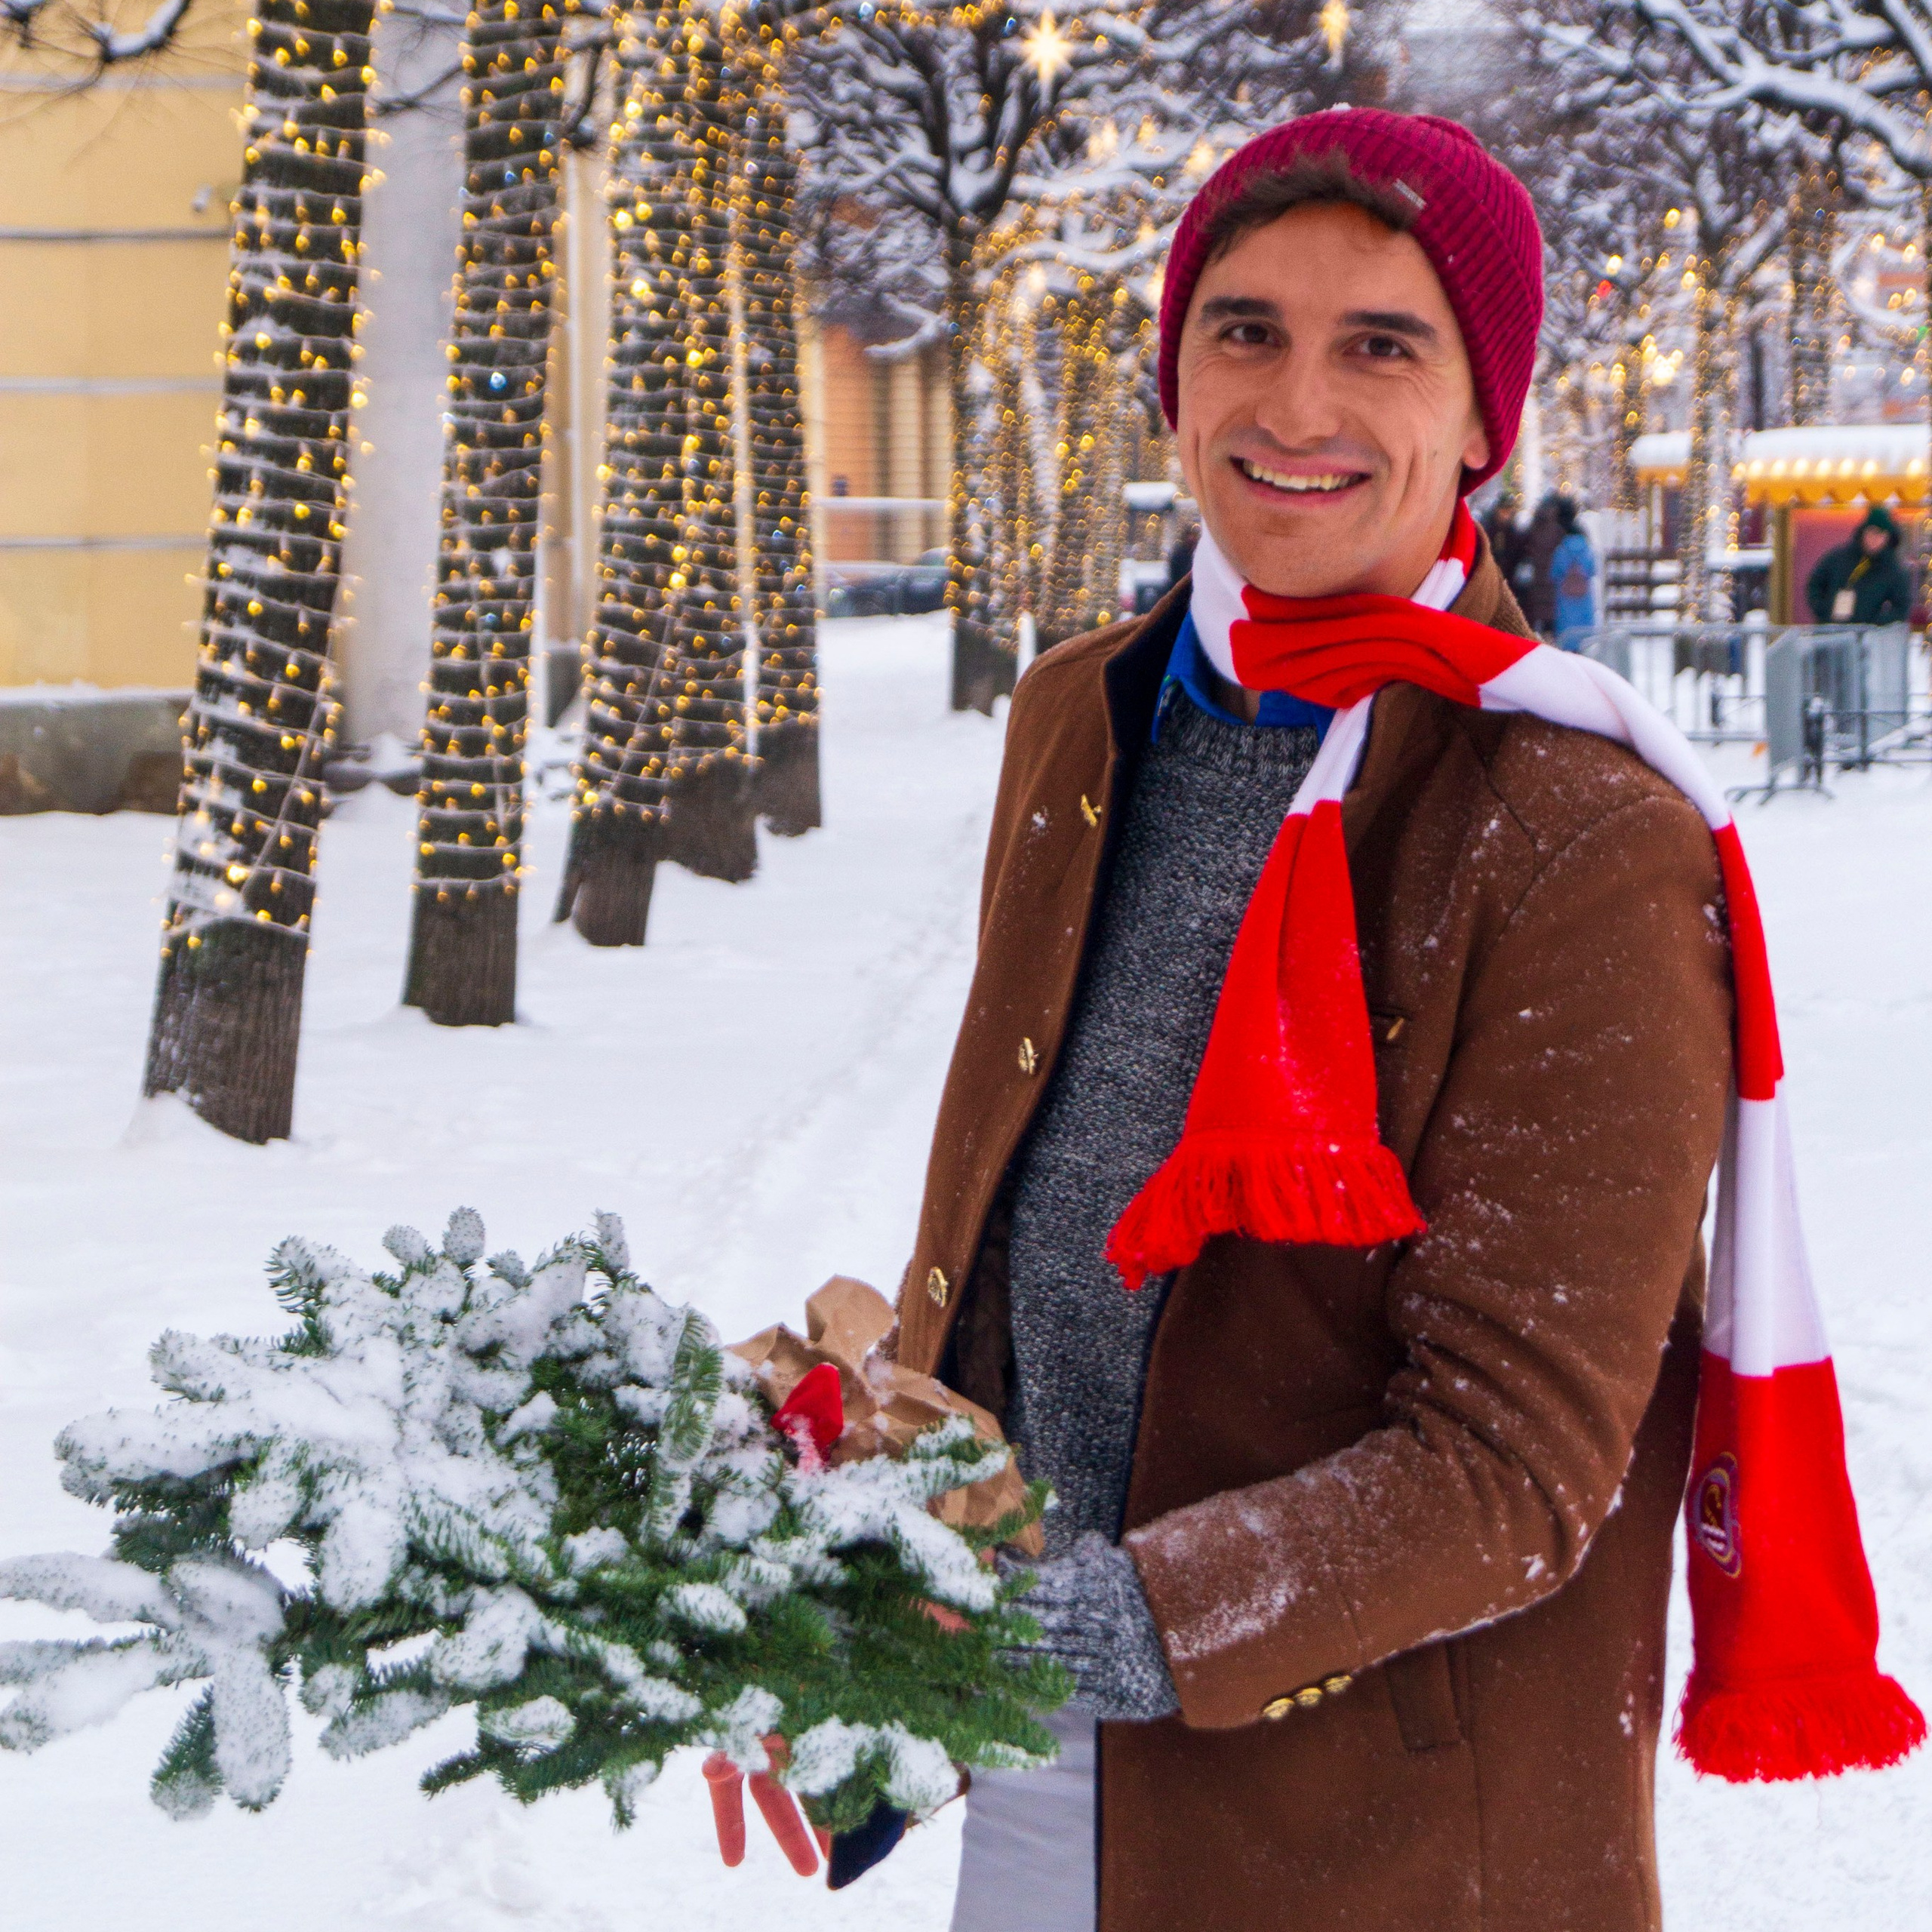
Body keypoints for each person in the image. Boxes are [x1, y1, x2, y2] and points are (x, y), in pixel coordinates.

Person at [886, 109, 1912, 1932]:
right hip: (1040, 1746)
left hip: (1382, 1823)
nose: (1295, 404)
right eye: (1243, 328)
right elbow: (1011, 1228)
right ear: (1173, 378)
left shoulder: (1576, 833)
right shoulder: (1082, 720)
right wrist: (851, 1551)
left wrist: (1076, 1622)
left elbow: (1511, 1459)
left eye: (1381, 344)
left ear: (1476, 418)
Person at [1805, 503, 1913, 626]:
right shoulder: (1838, 558)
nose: (1875, 539)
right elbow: (1815, 584)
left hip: (1867, 640)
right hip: (1830, 632)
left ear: (1888, 537)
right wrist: (1824, 610)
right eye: (1871, 532)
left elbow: (1902, 606)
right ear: (1863, 532)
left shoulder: (1893, 570)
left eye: (1881, 534)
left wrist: (1876, 623)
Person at [1551, 494, 1598, 648]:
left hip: (1565, 604)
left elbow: (1554, 573)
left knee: (1567, 641)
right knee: (1585, 644)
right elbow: (1593, 570)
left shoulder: (1561, 549)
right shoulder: (1587, 548)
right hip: (1585, 604)